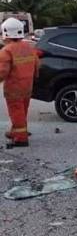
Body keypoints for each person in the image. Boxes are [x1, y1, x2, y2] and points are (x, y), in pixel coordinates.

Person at [0, 18, 40, 147]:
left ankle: (21, 138)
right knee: (22, 110)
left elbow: (2, 71)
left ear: (5, 33)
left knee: (16, 111)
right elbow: (36, 66)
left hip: (14, 87)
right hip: (27, 86)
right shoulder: (29, 47)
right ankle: (15, 131)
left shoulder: (6, 51)